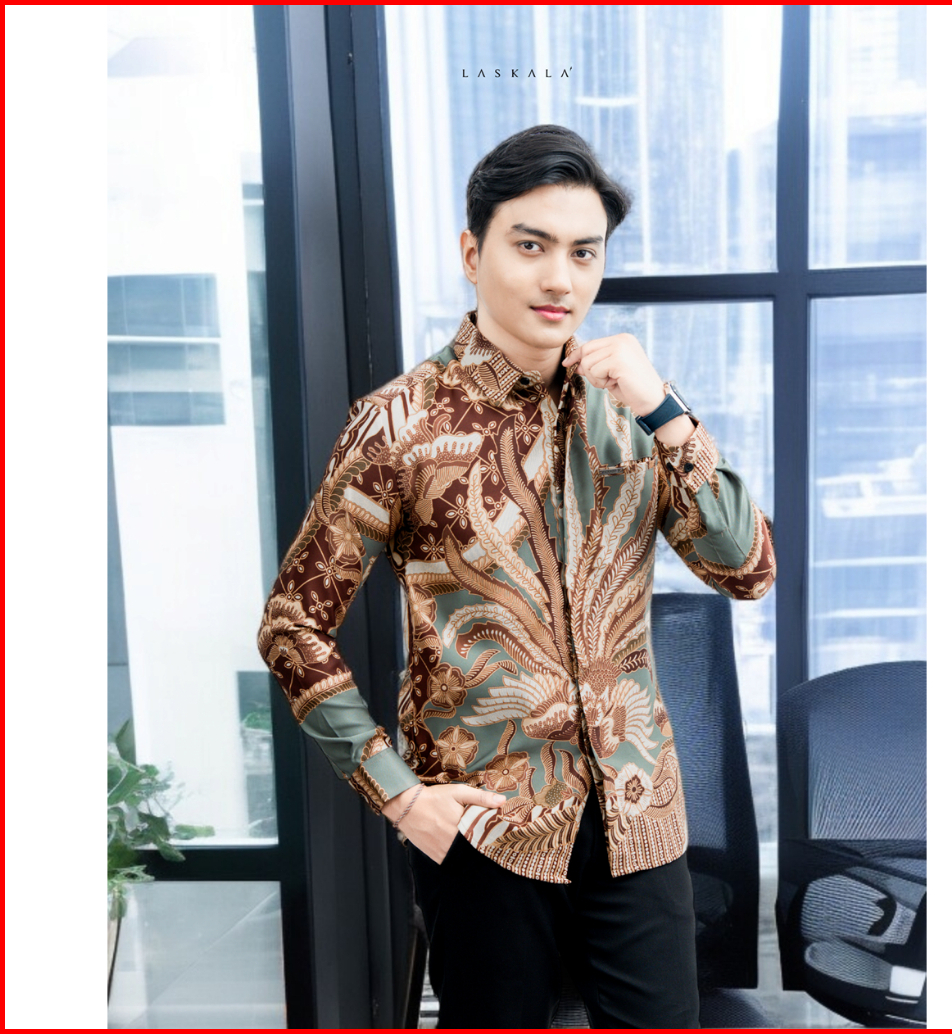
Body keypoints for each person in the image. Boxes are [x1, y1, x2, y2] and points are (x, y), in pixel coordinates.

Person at [257, 123, 776, 1028]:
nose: (560, 279)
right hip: (485, 828)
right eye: (531, 246)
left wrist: (667, 411)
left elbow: (749, 570)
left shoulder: (635, 411)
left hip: (639, 813)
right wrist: (399, 794)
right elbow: (293, 623)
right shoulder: (400, 424)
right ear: (473, 253)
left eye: (584, 252)